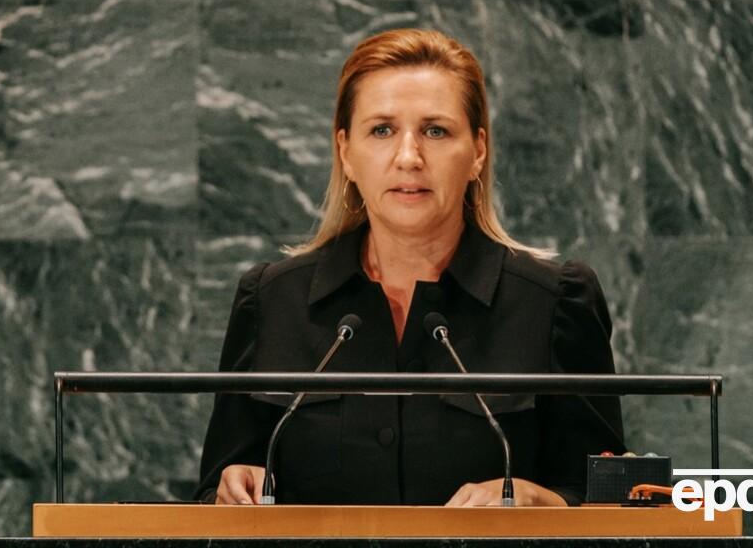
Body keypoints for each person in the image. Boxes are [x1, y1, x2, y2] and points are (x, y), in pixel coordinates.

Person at [194, 28, 626, 507]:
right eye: (382, 130)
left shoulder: (554, 303)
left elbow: (610, 500)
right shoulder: (272, 300)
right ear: (346, 152)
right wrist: (233, 488)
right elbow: (214, 492)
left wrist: (541, 501)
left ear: (478, 151)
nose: (408, 157)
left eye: (435, 131)